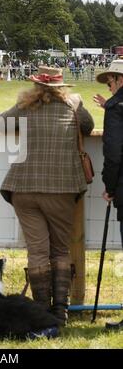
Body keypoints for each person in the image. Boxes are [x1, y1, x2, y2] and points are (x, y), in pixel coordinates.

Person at [0, 66, 94, 326]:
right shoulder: (73, 105)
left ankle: (41, 310)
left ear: (36, 85)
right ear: (62, 86)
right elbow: (88, 126)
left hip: (24, 187)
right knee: (61, 249)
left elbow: (0, 123)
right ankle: (60, 312)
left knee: (38, 251)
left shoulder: (25, 106)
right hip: (61, 188)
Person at [94, 59, 123, 331]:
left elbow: (114, 153)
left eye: (111, 81)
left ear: (120, 80)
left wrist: (110, 186)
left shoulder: (115, 108)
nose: (110, 87)